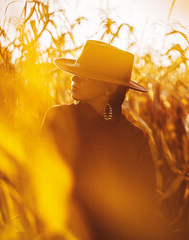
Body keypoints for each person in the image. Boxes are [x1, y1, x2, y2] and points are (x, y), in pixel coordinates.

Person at [39, 40, 157, 239]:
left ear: (109, 89)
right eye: (76, 72)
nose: (74, 78)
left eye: (85, 76)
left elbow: (145, 208)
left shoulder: (137, 139)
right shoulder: (60, 119)